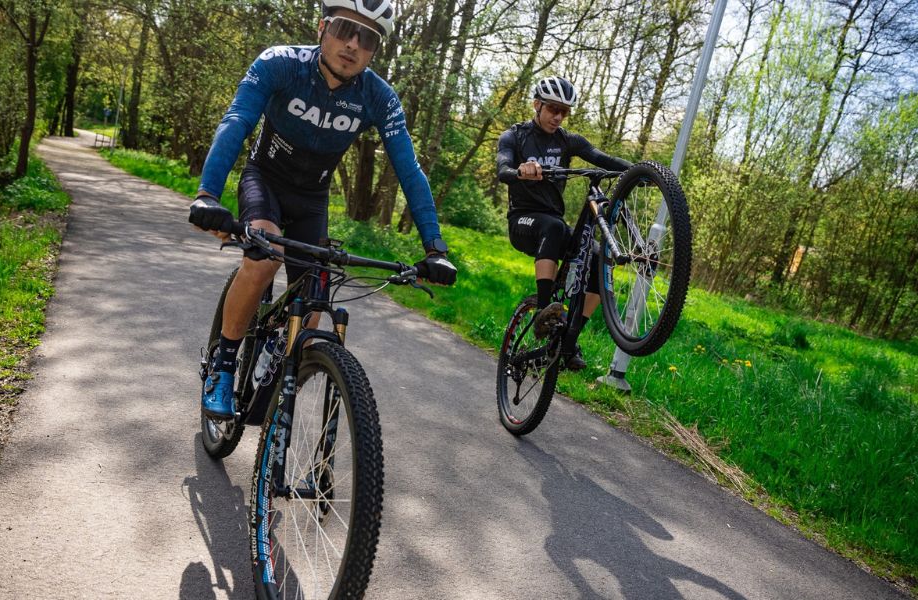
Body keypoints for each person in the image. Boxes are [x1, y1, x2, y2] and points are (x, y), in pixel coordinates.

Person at [189, 0, 457, 420]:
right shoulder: (281, 63)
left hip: (312, 199)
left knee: (314, 307)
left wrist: (434, 246)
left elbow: (409, 168)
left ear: (374, 51)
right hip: (265, 181)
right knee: (263, 262)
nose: (353, 44)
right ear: (322, 28)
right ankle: (223, 366)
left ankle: (277, 351)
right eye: (344, 30)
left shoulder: (378, 97)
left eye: (367, 39)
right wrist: (208, 194)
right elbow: (237, 120)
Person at [496, 76, 631, 371]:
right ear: (537, 105)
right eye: (553, 109)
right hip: (524, 221)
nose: (558, 116)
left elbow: (602, 158)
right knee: (554, 227)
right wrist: (520, 170)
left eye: (564, 111)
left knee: (598, 257)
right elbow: (502, 168)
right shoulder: (515, 136)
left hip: (554, 226)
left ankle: (568, 340)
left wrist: (645, 172)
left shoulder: (568, 141)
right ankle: (547, 312)